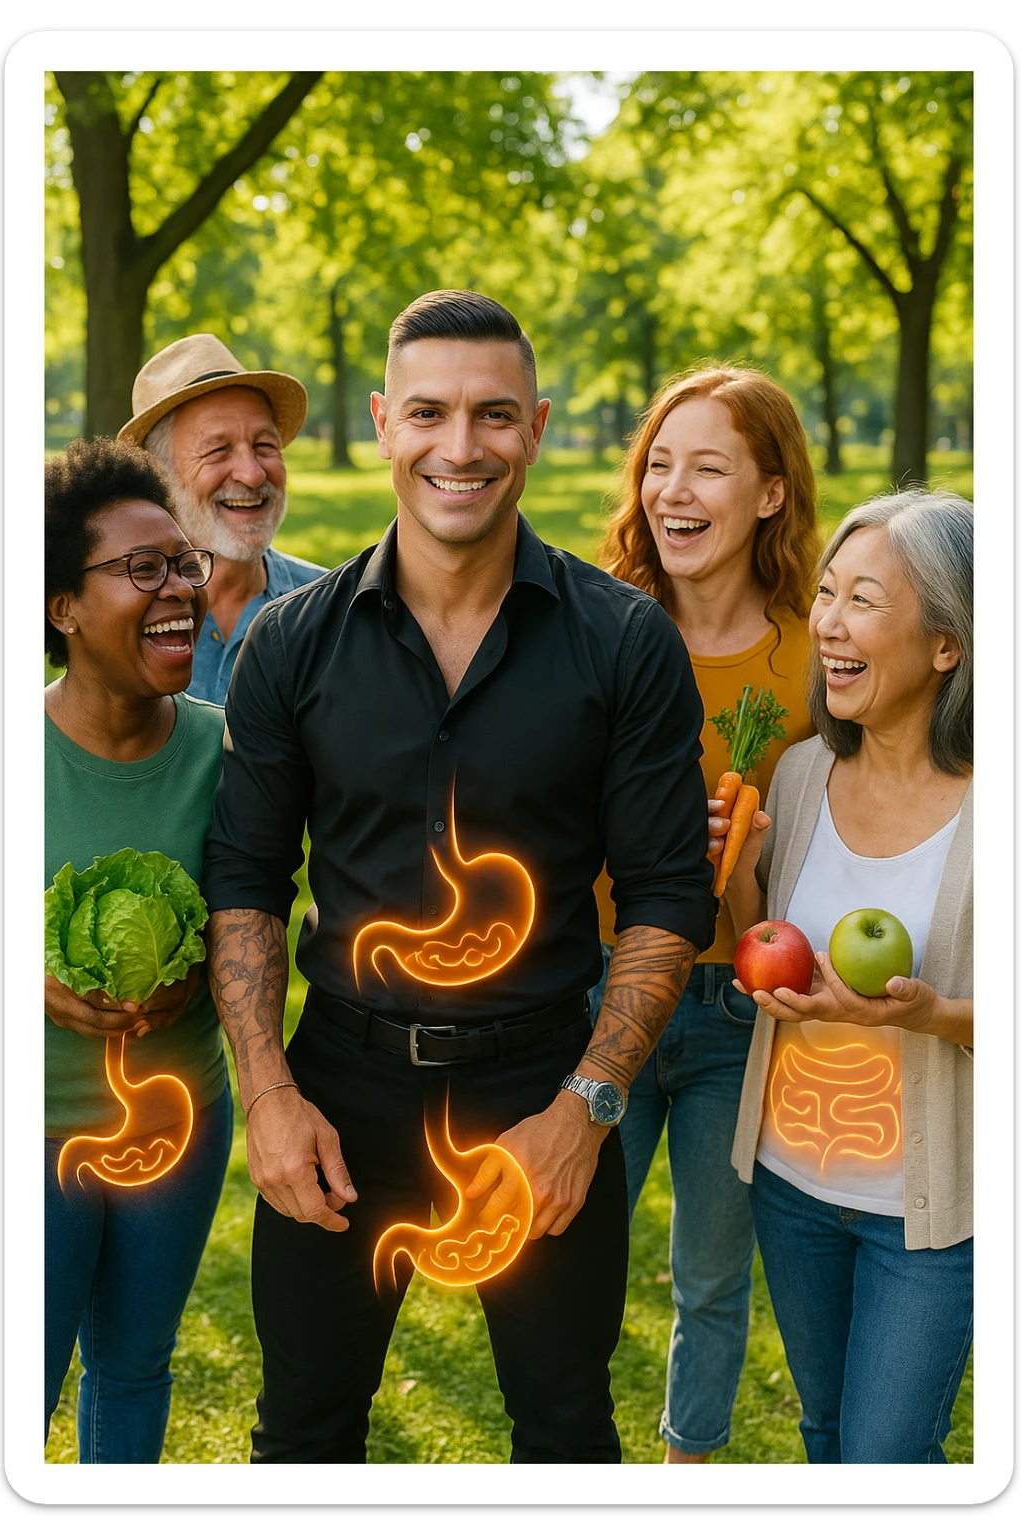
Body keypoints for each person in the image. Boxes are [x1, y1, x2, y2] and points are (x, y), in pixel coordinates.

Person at [201, 290, 717, 1464]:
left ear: (534, 428)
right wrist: (270, 1098)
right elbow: (244, 877)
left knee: (568, 1432)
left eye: (493, 415)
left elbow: (666, 894)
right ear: (384, 421)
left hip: (542, 1082)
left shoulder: (624, 641)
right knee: (302, 1435)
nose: (461, 446)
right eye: (429, 412)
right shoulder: (291, 643)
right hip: (338, 1088)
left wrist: (584, 1112)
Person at [592, 365, 820, 1462]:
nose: (670, 490)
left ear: (769, 494)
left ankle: (691, 1466)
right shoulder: (593, 630)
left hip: (738, 1006)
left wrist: (749, 879)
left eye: (708, 467)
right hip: (598, 988)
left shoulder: (813, 666)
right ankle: (567, 1457)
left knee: (714, 1278)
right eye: (658, 465)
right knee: (572, 1254)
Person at [725, 489, 973, 1464]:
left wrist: (932, 1013)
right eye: (826, 592)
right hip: (789, 1186)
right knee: (825, 1434)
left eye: (862, 599)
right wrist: (740, 880)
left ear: (945, 644)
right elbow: (768, 962)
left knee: (884, 1459)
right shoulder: (794, 778)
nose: (826, 621)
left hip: (928, 1214)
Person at [44, 436, 232, 1462]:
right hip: (34, 1135)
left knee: (134, 1365)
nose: (177, 589)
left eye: (183, 563)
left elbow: (255, 912)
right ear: (63, 607)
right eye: (140, 569)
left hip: (181, 1121)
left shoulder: (226, 748)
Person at [117, 333, 327, 706]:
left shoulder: (332, 609)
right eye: (217, 450)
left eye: (265, 446)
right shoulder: (123, 621)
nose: (252, 474)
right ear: (159, 477)